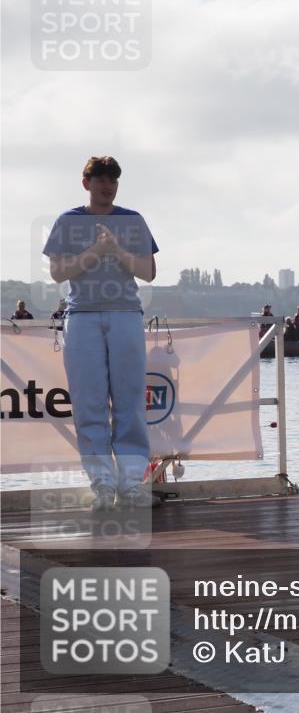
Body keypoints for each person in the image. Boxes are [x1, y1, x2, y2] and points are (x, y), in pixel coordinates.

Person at [43, 156, 159, 511]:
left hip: (126, 315)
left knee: (129, 402)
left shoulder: (133, 220)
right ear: (86, 183)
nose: (107, 186)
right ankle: (103, 485)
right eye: (100, 180)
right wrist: (96, 250)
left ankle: (130, 484)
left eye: (113, 180)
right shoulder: (68, 221)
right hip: (82, 317)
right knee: (89, 403)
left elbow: (149, 272)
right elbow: (58, 273)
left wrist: (117, 250)